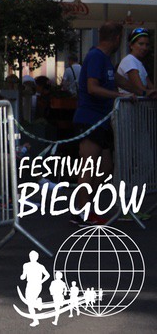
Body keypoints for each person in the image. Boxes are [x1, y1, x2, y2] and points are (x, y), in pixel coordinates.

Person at [72, 22, 133, 225]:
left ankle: (83, 206)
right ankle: (83, 212)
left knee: (106, 168)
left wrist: (142, 91)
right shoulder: (96, 56)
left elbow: (119, 80)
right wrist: (119, 96)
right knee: (88, 166)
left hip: (102, 120)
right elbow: (92, 88)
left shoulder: (105, 59)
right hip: (90, 118)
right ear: (117, 38)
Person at [117, 27, 154, 96]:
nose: (145, 48)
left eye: (147, 45)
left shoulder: (139, 63)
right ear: (131, 45)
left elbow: (150, 87)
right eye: (141, 44)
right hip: (129, 102)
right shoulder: (129, 60)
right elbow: (140, 89)